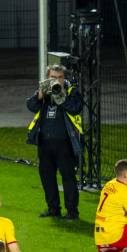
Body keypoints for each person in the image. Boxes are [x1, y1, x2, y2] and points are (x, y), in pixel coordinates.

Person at [26, 64, 85, 220]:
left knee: (68, 176)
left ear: (64, 78)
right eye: (53, 77)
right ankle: (53, 209)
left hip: (65, 142)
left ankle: (72, 212)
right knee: (46, 176)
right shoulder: (44, 90)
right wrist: (40, 95)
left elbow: (77, 108)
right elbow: (30, 105)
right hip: (45, 142)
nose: (57, 80)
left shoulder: (71, 90)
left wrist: (62, 98)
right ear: (48, 78)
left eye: (60, 77)